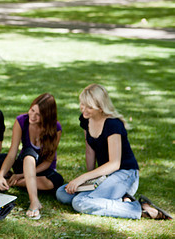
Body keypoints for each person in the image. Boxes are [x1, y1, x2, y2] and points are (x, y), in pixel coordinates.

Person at [56, 84, 172, 220]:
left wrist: (82, 178)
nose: (83, 109)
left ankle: (139, 209)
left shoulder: (113, 125)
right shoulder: (86, 119)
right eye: (82, 104)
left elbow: (114, 164)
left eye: (89, 106)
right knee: (62, 193)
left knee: (80, 202)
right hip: (105, 175)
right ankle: (122, 199)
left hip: (125, 174)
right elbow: (90, 151)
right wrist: (88, 179)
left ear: (100, 107)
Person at [0, 93, 64, 220]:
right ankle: (34, 202)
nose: (32, 116)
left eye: (38, 114)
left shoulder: (56, 128)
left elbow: (48, 162)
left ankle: (15, 182)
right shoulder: (21, 121)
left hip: (43, 170)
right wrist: (0, 175)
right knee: (29, 155)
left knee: (54, 182)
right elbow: (12, 153)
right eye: (32, 110)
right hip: (25, 163)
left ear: (47, 116)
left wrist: (21, 176)